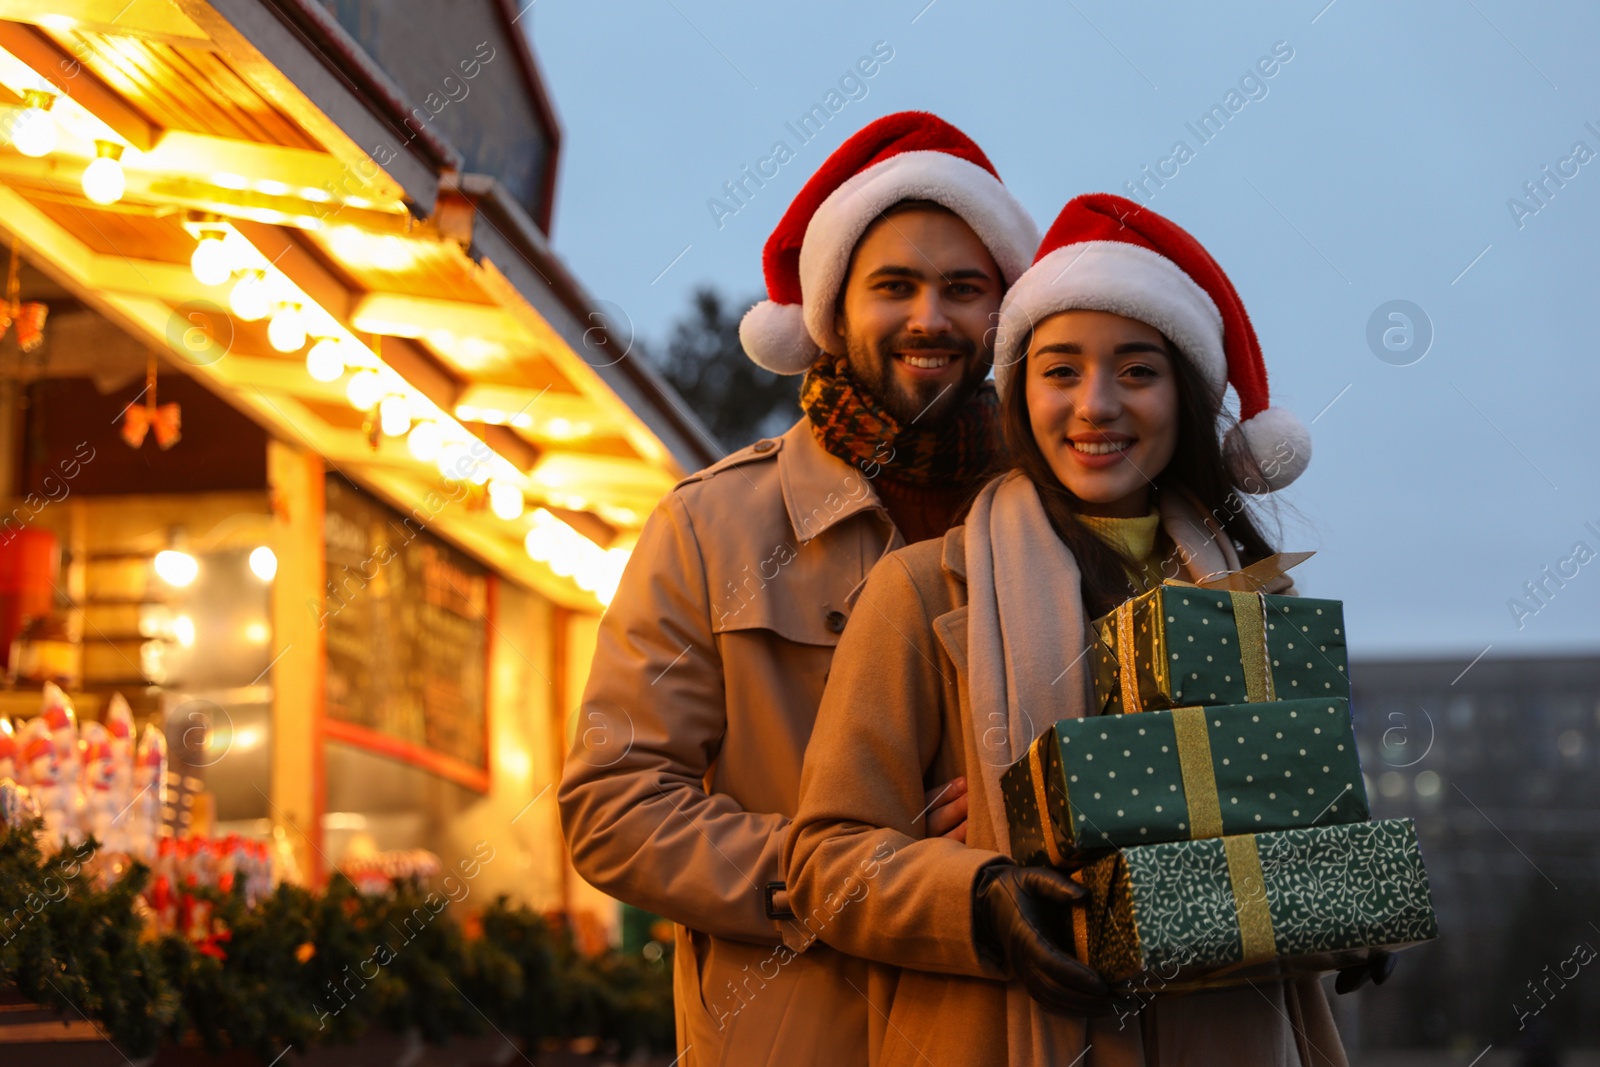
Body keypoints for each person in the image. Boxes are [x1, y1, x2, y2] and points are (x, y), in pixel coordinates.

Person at [785, 194, 1366, 1066]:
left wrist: (1344, 903)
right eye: (1060, 371)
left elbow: (1300, 814)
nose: (1097, 406)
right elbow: (823, 865)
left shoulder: (1258, 603)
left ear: (1185, 395)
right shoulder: (918, 590)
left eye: (1137, 371)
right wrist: (978, 896)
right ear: (1019, 391)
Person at [558, 111, 1040, 1066]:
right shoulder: (711, 526)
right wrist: (856, 868)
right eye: (893, 287)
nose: (929, 319)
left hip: (1017, 1034)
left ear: (1004, 311)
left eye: (963, 288)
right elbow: (614, 805)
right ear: (831, 309)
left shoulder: (1055, 526)